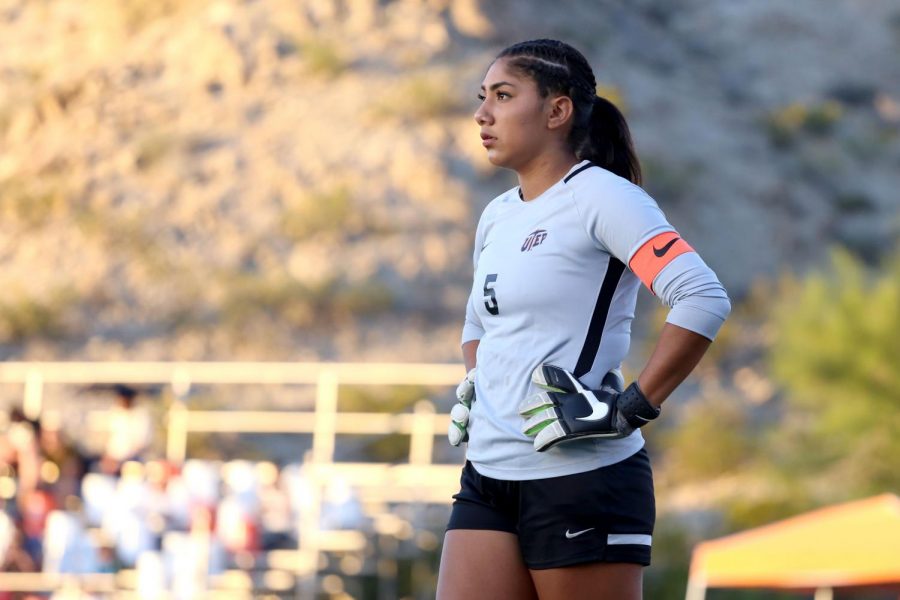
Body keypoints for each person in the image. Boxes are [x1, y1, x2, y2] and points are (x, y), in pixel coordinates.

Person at [438, 39, 731, 600]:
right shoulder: (497, 214)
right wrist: (479, 383)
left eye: (503, 95)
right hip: (488, 477)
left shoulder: (604, 198)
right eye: (483, 97)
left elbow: (701, 297)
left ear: (557, 110)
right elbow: (479, 324)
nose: (482, 113)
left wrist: (631, 408)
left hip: (582, 481)